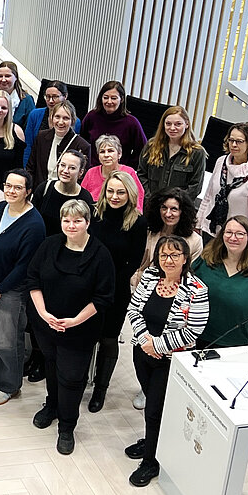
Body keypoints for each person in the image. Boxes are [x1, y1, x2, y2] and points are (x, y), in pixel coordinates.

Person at [25, 200, 114, 455]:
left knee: (72, 378)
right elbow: (33, 279)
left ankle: (67, 426)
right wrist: (43, 314)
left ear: (87, 222)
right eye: (66, 220)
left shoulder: (100, 255)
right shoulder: (49, 245)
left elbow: (103, 298)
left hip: (80, 329)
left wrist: (75, 320)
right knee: (52, 365)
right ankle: (52, 405)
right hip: (47, 325)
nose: (71, 225)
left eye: (77, 221)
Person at [125, 235, 209, 487]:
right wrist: (145, 341)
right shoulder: (150, 277)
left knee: (154, 410)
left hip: (170, 361)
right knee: (153, 405)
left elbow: (193, 332)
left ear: (185, 258)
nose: (168, 260)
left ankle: (151, 462)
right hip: (143, 352)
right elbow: (134, 310)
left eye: (174, 255)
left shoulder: (197, 289)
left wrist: (158, 346)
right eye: (163, 255)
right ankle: (153, 441)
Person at [0, 169, 46, 406]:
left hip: (12, 289)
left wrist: (1, 288)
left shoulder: (34, 224)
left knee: (8, 339)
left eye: (18, 187)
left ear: (28, 191)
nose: (11, 191)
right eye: (8, 185)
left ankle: (9, 385)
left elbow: (25, 265)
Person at [87, 172, 148, 412]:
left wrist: (107, 286)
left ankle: (100, 389)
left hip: (116, 289)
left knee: (108, 339)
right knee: (84, 335)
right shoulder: (94, 213)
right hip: (88, 286)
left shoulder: (138, 222)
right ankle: (79, 380)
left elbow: (133, 261)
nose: (114, 196)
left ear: (130, 194)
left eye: (120, 192)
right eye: (110, 191)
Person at [192, 216, 248, 357]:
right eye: (228, 232)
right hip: (196, 340)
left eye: (240, 234)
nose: (233, 238)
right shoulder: (205, 261)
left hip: (235, 349)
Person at [196, 123, 248, 235]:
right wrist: (197, 224)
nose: (233, 145)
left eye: (239, 141)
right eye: (231, 140)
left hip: (233, 236)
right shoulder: (221, 162)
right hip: (208, 228)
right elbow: (208, 196)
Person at [137, 106, 207, 209]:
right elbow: (141, 174)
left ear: (187, 124)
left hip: (178, 208)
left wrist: (173, 204)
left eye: (178, 124)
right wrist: (151, 199)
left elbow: (195, 186)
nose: (172, 128)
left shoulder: (197, 153)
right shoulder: (151, 146)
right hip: (151, 205)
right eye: (168, 124)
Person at [135, 188, 204, 278]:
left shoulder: (195, 241)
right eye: (164, 208)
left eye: (174, 209)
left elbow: (189, 274)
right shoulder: (148, 231)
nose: (167, 214)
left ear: (183, 211)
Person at [25, 101, 90, 192]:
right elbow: (31, 167)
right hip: (40, 192)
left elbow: (82, 178)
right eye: (57, 117)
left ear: (72, 121)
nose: (60, 122)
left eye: (66, 118)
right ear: (51, 118)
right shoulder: (41, 137)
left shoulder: (83, 146)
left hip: (66, 194)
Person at [81, 81, 147, 168]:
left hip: (119, 171)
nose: (109, 101)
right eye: (105, 97)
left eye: (114, 98)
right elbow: (82, 142)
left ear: (121, 99)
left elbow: (143, 151)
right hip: (92, 169)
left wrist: (127, 168)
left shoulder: (132, 123)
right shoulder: (92, 116)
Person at [34, 151, 94, 236]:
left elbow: (88, 230)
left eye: (72, 168)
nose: (65, 171)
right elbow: (32, 220)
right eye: (62, 165)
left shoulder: (85, 198)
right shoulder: (44, 188)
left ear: (81, 172)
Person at [22, 80, 83, 164]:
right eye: (47, 96)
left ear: (65, 96)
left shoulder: (75, 121)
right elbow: (28, 145)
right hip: (36, 162)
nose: (50, 101)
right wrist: (26, 166)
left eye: (55, 97)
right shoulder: (35, 115)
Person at [82, 134, 145, 209]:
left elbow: (138, 196)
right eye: (102, 152)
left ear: (119, 154)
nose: (106, 155)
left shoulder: (129, 172)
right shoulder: (91, 172)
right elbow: (82, 197)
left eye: (110, 151)